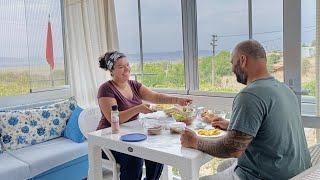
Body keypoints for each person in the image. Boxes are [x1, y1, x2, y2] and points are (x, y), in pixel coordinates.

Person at [180, 40, 311, 180]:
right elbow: (272, 129)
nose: (232, 69)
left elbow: (231, 149)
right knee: (223, 166)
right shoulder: (284, 90)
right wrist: (232, 125)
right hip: (299, 172)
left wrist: (195, 141)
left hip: (267, 176)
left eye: (232, 62)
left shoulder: (250, 95)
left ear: (242, 60)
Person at [97, 51, 192, 180]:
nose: (126, 69)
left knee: (156, 152)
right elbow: (114, 118)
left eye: (128, 65)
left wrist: (177, 100)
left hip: (130, 134)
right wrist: (138, 109)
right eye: (120, 67)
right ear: (111, 71)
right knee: (134, 157)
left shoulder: (134, 85)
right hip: (109, 140)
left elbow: (155, 97)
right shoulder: (106, 89)